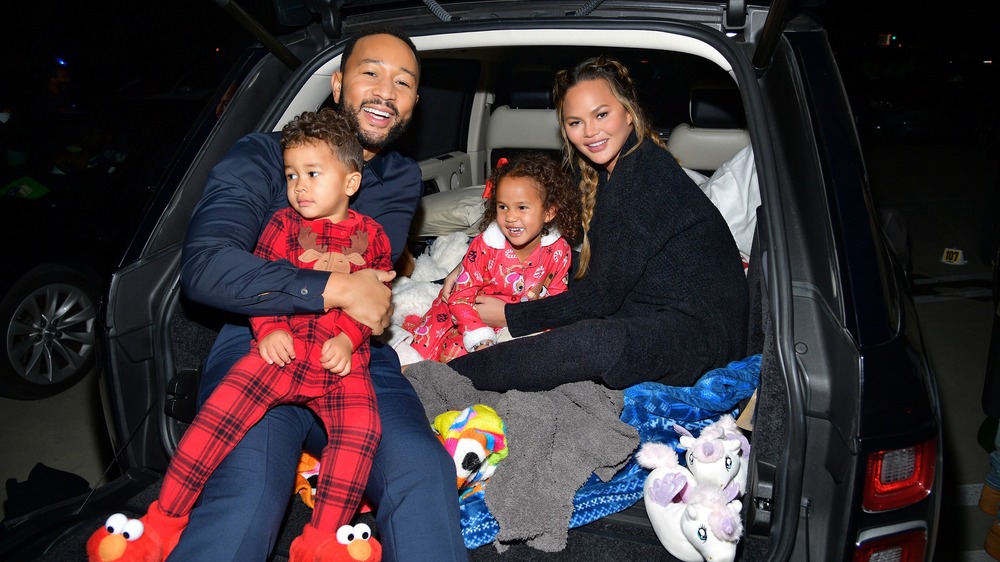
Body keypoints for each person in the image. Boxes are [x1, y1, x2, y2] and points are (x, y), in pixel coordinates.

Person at [172, 29, 467, 561]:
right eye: (370, 73)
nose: (385, 91)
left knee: (423, 474)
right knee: (247, 495)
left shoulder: (400, 178)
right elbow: (207, 266)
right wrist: (330, 286)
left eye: (403, 82)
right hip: (261, 341)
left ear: (414, 104)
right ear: (337, 84)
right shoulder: (262, 156)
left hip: (354, 354)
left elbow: (372, 294)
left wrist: (341, 295)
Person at [89, 108, 392, 561]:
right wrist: (267, 329)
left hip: (339, 361)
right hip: (282, 351)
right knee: (215, 419)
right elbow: (262, 283)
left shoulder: (374, 235)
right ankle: (162, 522)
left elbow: (374, 296)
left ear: (350, 182)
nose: (299, 186)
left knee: (362, 430)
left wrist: (349, 338)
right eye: (291, 175)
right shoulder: (280, 226)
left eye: (312, 173)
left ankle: (324, 538)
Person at [446, 55, 749, 392]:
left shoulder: (644, 175)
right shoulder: (610, 169)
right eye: (575, 122)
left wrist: (510, 316)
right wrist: (473, 264)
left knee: (594, 342)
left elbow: (602, 296)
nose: (590, 132)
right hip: (656, 306)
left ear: (629, 112)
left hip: (702, 338)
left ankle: (443, 379)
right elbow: (600, 264)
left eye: (601, 114)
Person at [408, 152, 580, 362]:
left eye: (522, 207)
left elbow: (557, 299)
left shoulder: (559, 250)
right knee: (449, 357)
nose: (510, 217)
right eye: (503, 207)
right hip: (471, 316)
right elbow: (461, 297)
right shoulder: (485, 246)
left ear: (549, 213)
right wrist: (479, 337)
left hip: (525, 318)